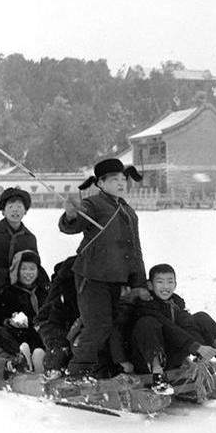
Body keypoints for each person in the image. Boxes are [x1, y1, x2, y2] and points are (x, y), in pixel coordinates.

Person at [59, 158, 151, 377]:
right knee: (98, 326)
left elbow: (135, 249)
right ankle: (77, 373)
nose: (121, 183)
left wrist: (139, 283)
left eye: (123, 179)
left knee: (116, 326)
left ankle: (106, 369)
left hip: (118, 279)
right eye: (114, 179)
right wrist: (71, 215)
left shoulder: (127, 210)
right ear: (100, 183)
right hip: (92, 277)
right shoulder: (92, 204)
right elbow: (73, 225)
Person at [124, 263, 216, 395]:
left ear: (175, 284)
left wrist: (200, 348)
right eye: (160, 282)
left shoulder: (176, 303)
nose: (165, 287)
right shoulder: (145, 306)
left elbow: (188, 325)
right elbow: (169, 328)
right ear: (150, 285)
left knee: (200, 317)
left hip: (171, 355)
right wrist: (196, 347)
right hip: (146, 361)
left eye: (170, 282)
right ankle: (158, 376)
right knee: (147, 323)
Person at [0, 250, 50, 373]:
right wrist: (10, 321)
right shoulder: (9, 292)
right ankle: (23, 357)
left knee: (41, 337)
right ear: (17, 271)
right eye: (23, 269)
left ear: (38, 271)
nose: (28, 273)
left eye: (32, 269)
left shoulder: (45, 291)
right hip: (19, 333)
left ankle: (37, 358)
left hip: (40, 332)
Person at [0, 188, 39, 331]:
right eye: (10, 206)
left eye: (19, 207)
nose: (15, 210)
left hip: (13, 297)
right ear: (3, 211)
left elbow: (33, 268)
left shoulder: (29, 238)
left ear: (25, 211)